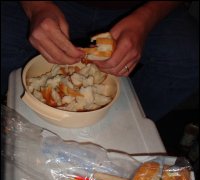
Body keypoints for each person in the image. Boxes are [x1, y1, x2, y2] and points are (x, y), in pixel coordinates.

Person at [1, 1, 199, 121]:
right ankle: (14, 120)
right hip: (52, 3)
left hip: (142, 7)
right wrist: (36, 6)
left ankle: (123, 123)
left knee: (189, 59)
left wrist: (145, 20)